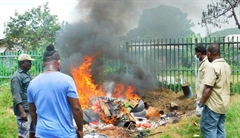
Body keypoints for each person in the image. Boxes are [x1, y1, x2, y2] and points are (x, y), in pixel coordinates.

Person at [28, 44, 83, 138]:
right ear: (59, 62)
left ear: (42, 64)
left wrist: (42, 128)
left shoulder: (32, 83)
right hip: (65, 134)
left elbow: (32, 112)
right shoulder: (67, 80)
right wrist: (80, 129)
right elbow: (76, 109)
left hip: (41, 134)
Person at [198, 43, 231, 138]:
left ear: (209, 53)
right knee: (220, 128)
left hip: (213, 105)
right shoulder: (226, 66)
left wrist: (200, 104)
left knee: (208, 128)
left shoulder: (212, 67)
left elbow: (208, 88)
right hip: (223, 104)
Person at [10, 53, 36, 138]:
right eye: (29, 62)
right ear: (22, 63)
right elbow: (16, 95)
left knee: (33, 131)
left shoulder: (27, 74)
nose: (31, 64)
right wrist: (22, 112)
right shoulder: (17, 77)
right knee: (23, 134)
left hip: (31, 109)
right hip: (24, 110)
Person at [194, 45, 210, 117]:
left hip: (204, 98)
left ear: (199, 53)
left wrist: (201, 101)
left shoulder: (207, 63)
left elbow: (206, 83)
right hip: (202, 96)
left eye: (196, 54)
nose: (196, 56)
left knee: (206, 123)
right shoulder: (204, 63)